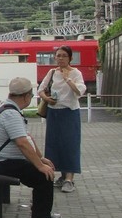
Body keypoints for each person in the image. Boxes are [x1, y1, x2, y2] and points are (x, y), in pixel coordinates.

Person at [0, 77, 62, 218]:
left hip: (2, 160)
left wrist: (40, 159)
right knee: (43, 176)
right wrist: (40, 165)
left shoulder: (8, 108)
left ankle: (42, 210)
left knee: (42, 169)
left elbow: (28, 138)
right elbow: (22, 143)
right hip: (2, 163)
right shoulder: (11, 114)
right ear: (26, 96)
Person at [37, 45, 86, 194]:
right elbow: (41, 89)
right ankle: (61, 176)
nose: (60, 58)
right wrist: (47, 98)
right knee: (54, 144)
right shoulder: (52, 72)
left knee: (70, 144)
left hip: (70, 113)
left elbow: (80, 91)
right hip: (53, 113)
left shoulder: (76, 73)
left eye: (64, 55)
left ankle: (69, 179)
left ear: (70, 58)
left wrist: (68, 79)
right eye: (58, 55)